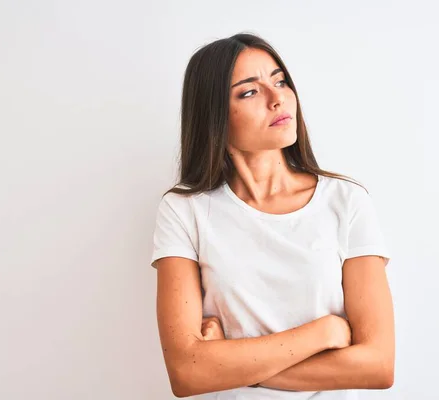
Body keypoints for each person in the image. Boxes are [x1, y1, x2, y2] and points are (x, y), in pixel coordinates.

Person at [150, 32, 394, 399]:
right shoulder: (184, 211)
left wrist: (226, 366)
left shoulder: (346, 201)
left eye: (280, 81)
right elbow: (186, 373)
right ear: (213, 113)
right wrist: (323, 333)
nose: (278, 98)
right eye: (250, 91)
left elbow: (377, 365)